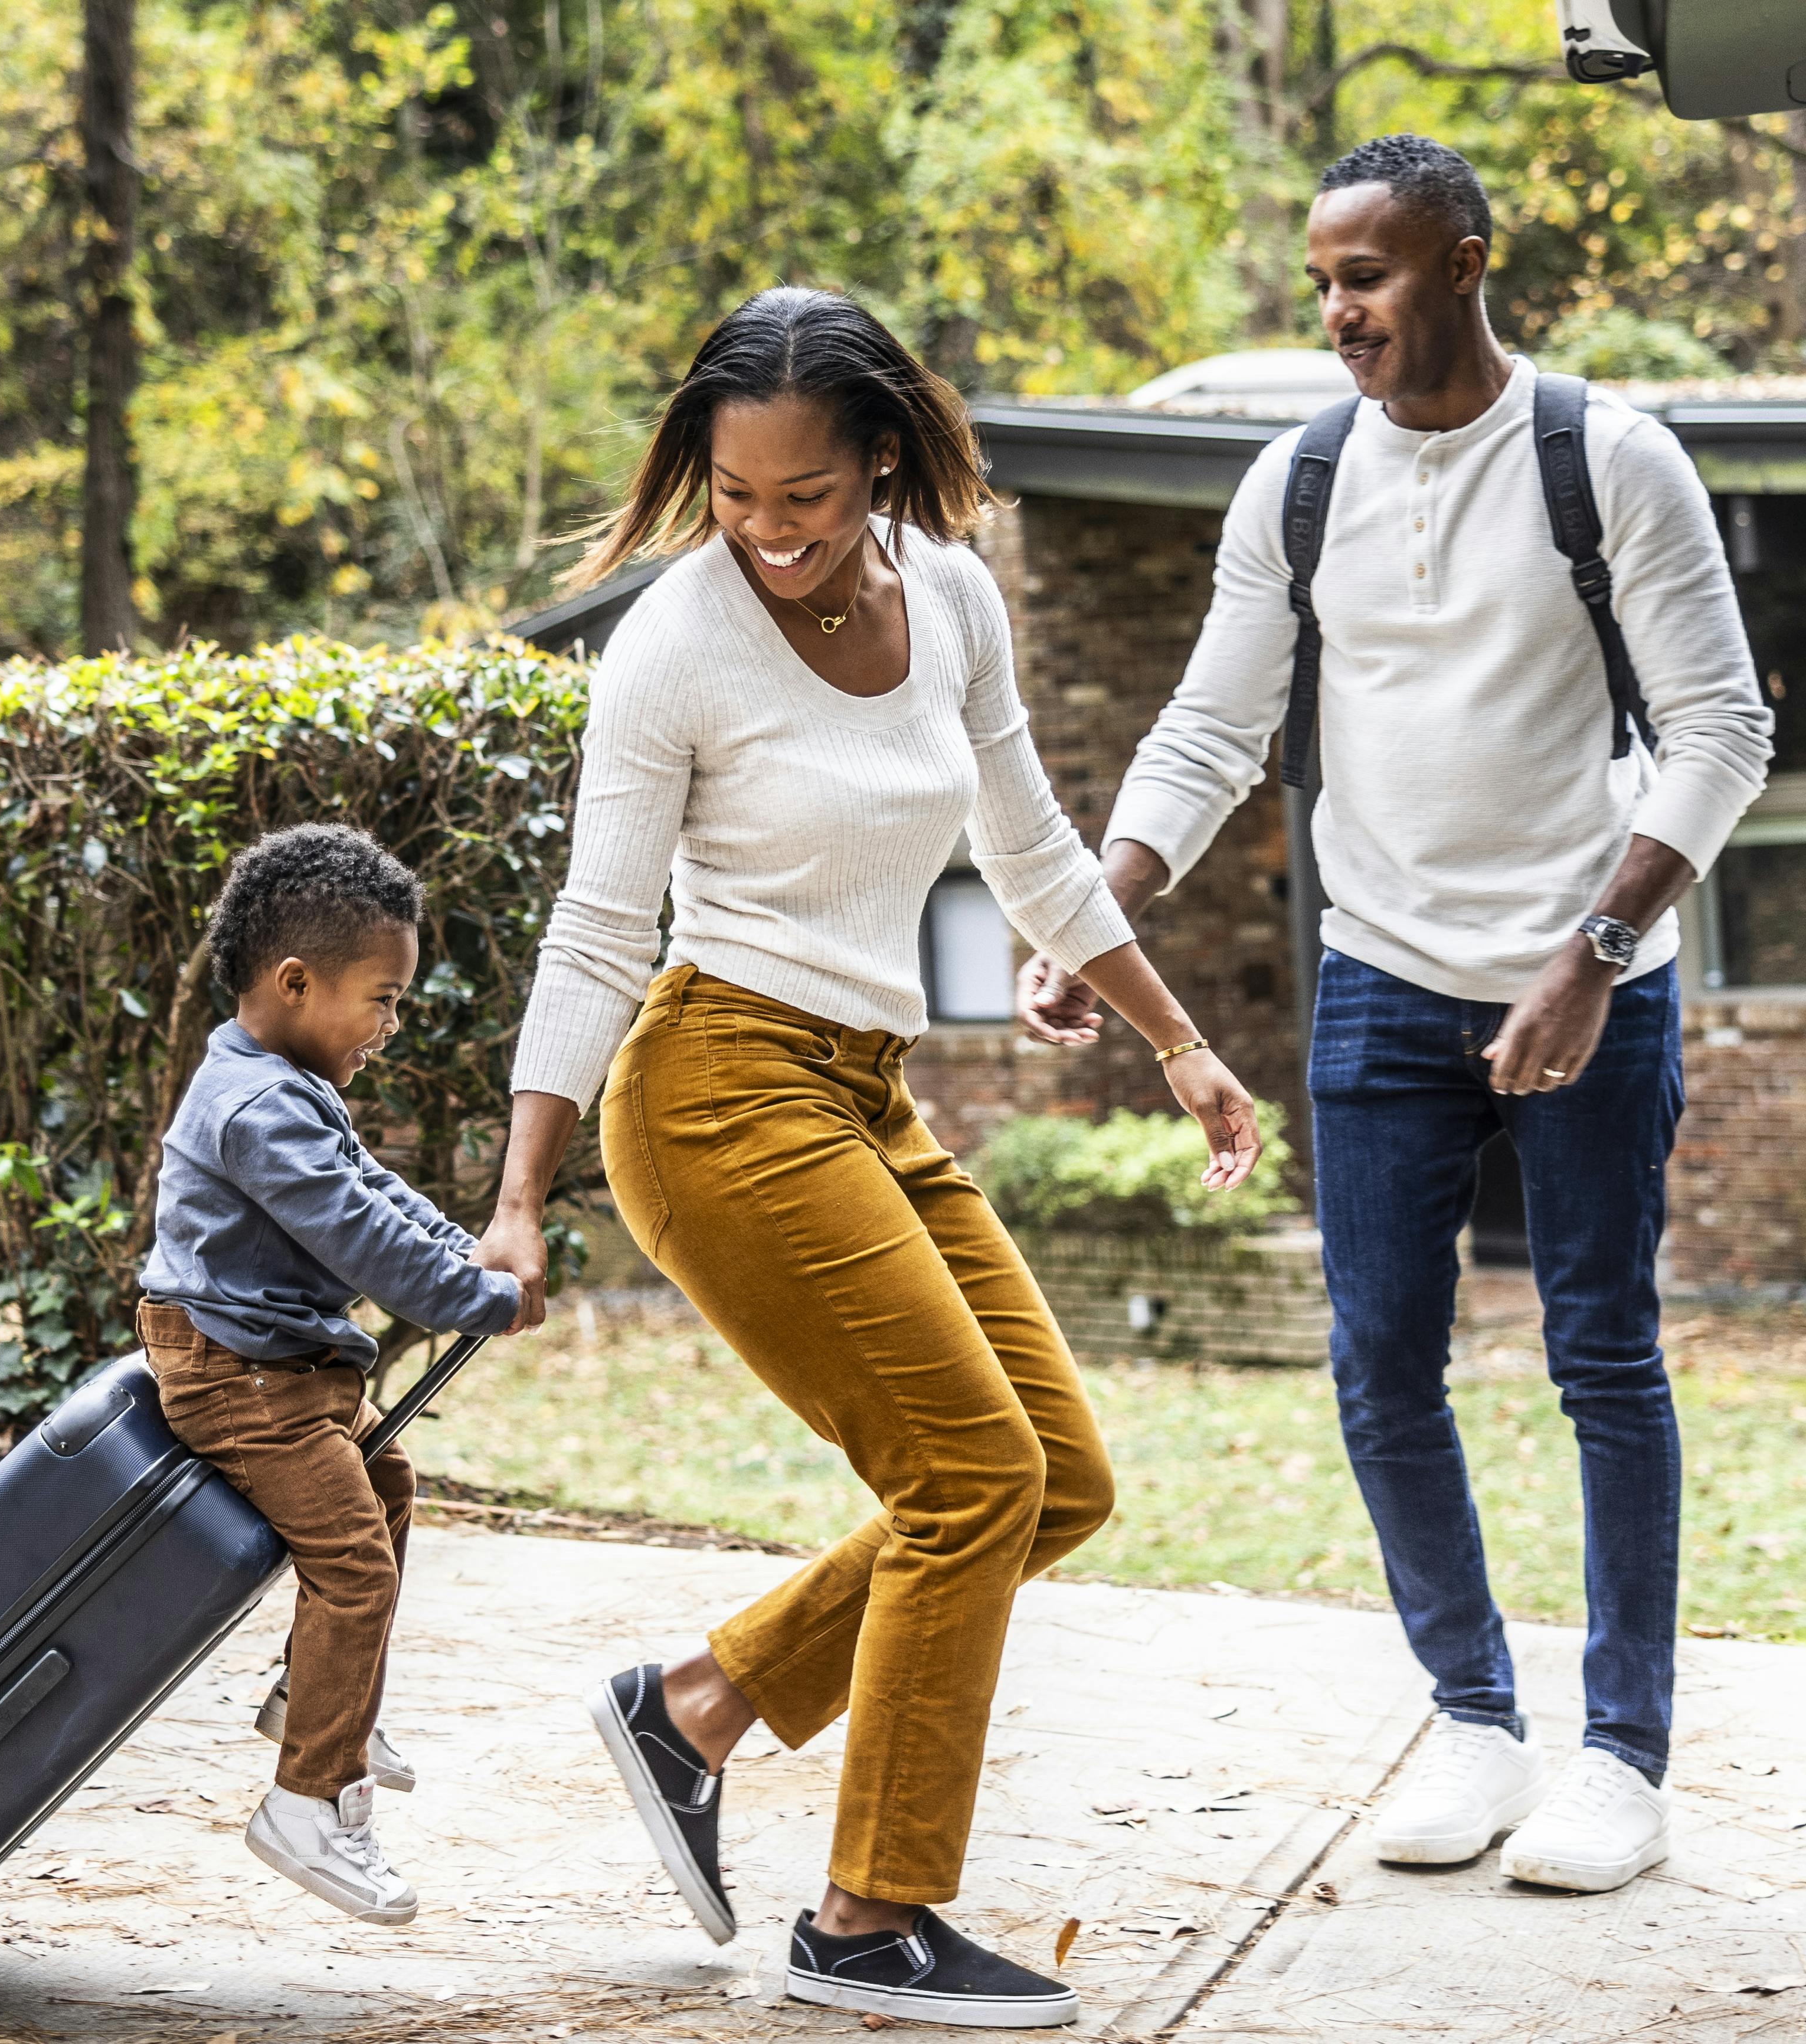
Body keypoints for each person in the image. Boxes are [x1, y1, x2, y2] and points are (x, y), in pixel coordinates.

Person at [468, 286, 1261, 2030]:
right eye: (737, 497)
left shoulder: (956, 595)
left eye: (805, 497)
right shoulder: (675, 643)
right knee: (970, 1480)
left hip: (859, 1088)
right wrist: (520, 1202)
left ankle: (696, 1704)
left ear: (881, 457)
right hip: (711, 1092)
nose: (768, 532)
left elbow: (1033, 844)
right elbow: (598, 934)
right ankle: (866, 1922)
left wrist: (1180, 1039)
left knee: (1057, 1477)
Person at [1023, 135, 1775, 1894]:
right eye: (1322, 285)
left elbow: (1724, 733)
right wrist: (1092, 909)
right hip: (1377, 978)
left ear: (1463, 258)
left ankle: (1626, 1757)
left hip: (1592, 975)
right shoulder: (1295, 487)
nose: (1339, 313)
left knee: (1602, 1355)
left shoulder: (1610, 460)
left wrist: (1591, 951)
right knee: (1378, 1365)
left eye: (1366, 276)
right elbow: (1209, 737)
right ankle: (1473, 1719)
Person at [135, 823, 545, 1925]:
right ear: (297, 980)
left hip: (279, 1370)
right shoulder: (261, 1107)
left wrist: (468, 1249)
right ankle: (308, 1800)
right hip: (239, 1379)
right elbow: (356, 1238)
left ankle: (317, 1705)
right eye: (384, 997)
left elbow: (373, 1191)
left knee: (388, 1486)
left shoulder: (277, 1082)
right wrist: (480, 1298)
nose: (392, 1024)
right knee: (354, 1565)